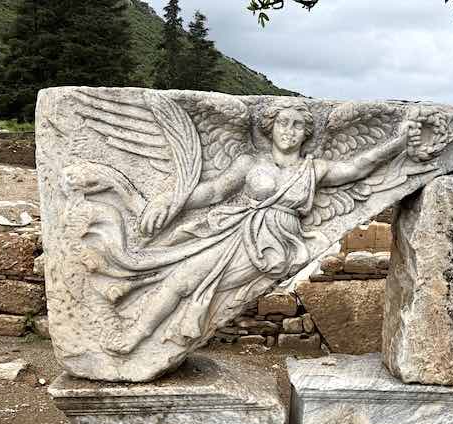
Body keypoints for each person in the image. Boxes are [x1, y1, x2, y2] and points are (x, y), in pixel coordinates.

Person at [102, 101, 418, 355]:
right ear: (270, 126)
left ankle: (155, 335)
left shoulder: (313, 169)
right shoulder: (250, 163)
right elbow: (213, 192)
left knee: (199, 286)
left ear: (307, 132)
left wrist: (398, 143)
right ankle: (135, 338)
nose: (289, 131)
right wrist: (173, 201)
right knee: (183, 278)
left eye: (297, 125)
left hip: (276, 246)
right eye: (283, 122)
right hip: (235, 230)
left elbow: (358, 167)